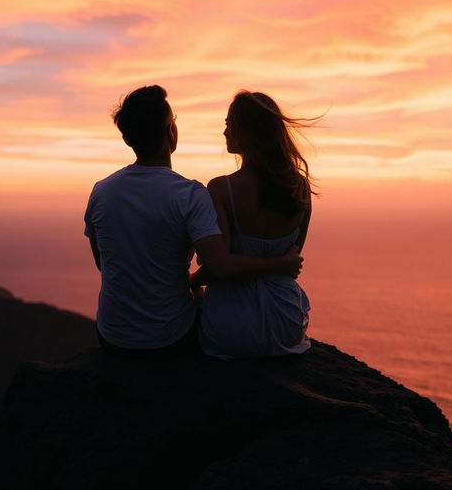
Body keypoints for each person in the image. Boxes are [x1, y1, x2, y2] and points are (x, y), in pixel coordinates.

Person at [84, 85, 304, 357]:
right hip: (172, 338)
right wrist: (280, 264)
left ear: (128, 139)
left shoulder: (101, 191)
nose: (225, 131)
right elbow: (220, 265)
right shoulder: (190, 194)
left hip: (112, 336)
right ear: (171, 133)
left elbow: (102, 262)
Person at [193, 90, 314, 359]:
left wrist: (190, 282)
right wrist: (278, 264)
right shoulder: (300, 188)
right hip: (286, 320)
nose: (224, 132)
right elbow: (290, 262)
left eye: (228, 125)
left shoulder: (221, 189)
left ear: (245, 131)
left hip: (232, 324)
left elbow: (219, 268)